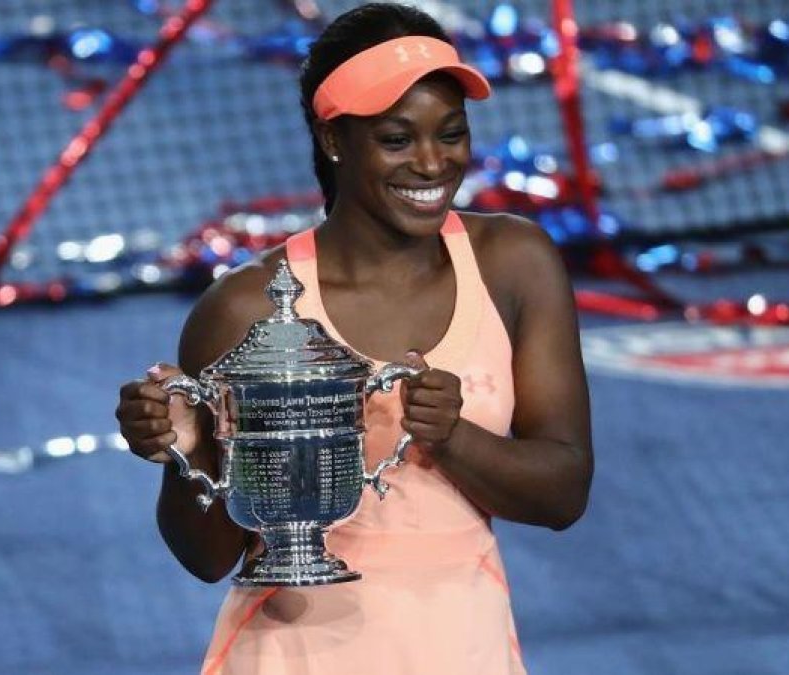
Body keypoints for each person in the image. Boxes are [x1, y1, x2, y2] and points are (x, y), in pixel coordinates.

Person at [115, 4, 594, 673]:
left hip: (466, 648)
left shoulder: (516, 262)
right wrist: (181, 450)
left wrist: (453, 437)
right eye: (397, 140)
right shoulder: (244, 307)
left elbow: (564, 492)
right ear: (334, 138)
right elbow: (208, 555)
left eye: (451, 134)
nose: (432, 164)